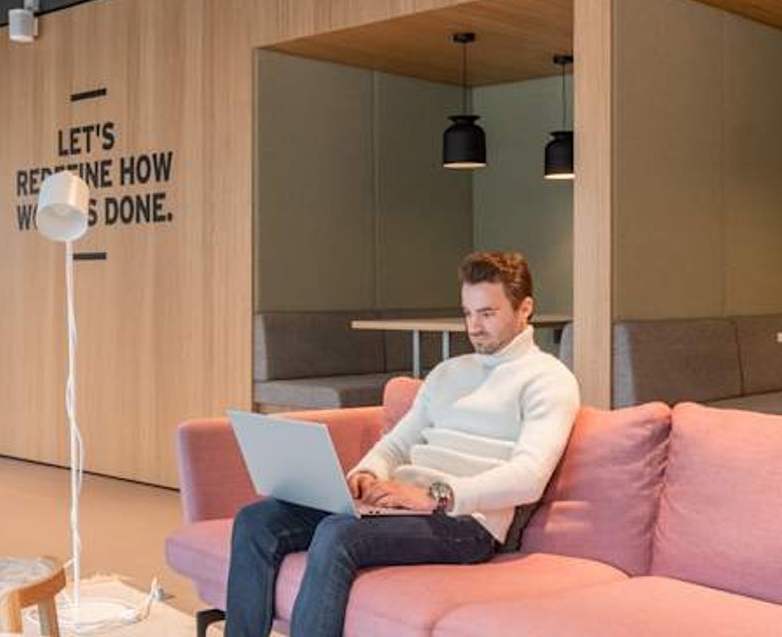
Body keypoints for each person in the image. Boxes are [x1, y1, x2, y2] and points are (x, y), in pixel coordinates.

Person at [224, 251, 580, 637]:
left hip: (466, 522)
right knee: (257, 521)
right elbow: (397, 443)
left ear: (524, 308)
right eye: (468, 313)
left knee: (338, 534)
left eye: (488, 314)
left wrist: (436, 497)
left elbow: (528, 476)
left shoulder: (549, 380)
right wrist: (366, 473)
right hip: (403, 505)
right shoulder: (448, 373)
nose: (474, 327)